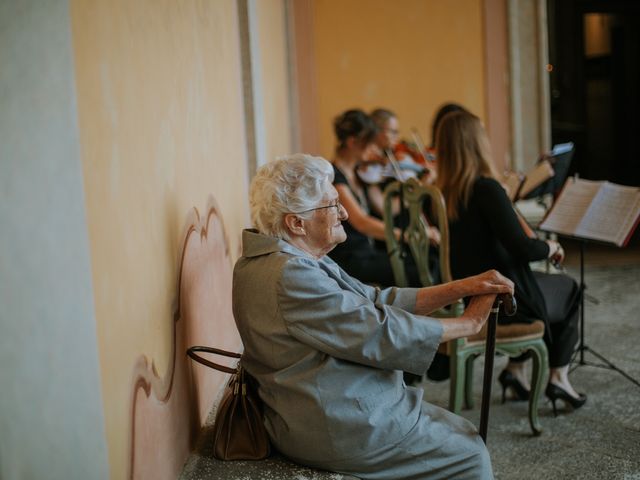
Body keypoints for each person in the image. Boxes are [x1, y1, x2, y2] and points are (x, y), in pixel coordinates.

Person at [233, 153, 515, 479]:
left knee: (460, 432)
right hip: (334, 423)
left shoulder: (287, 256)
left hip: (319, 403)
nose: (344, 213)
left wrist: (465, 286)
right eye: (332, 205)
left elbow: (377, 299)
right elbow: (378, 330)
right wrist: (469, 323)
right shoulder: (291, 274)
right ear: (297, 222)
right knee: (469, 453)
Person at [434, 110, 586, 413]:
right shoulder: (485, 188)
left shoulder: (443, 191)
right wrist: (551, 245)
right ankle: (559, 376)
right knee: (571, 289)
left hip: (469, 291)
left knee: (553, 288)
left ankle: (515, 372)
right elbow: (523, 248)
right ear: (478, 144)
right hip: (501, 297)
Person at [328, 109, 419, 287]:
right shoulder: (335, 178)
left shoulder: (358, 173)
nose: (375, 149)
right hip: (352, 258)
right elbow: (362, 222)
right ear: (353, 142)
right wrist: (408, 236)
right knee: (415, 269)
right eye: (370, 144)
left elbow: (385, 208)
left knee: (424, 259)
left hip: (367, 252)